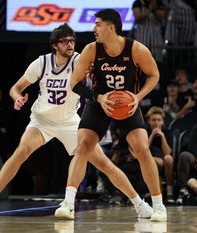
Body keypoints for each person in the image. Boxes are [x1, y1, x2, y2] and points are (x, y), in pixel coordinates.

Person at [0, 23, 153, 219]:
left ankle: (139, 204)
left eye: (72, 41)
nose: (70, 44)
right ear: (54, 45)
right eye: (65, 41)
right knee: (21, 152)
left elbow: (105, 69)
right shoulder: (41, 63)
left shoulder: (80, 60)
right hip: (42, 120)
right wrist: (17, 98)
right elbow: (15, 87)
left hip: (69, 121)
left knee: (104, 164)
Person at [55, 9, 167, 222]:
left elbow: (154, 75)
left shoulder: (136, 49)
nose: (93, 28)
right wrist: (99, 98)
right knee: (83, 147)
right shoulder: (91, 50)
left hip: (127, 105)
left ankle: (159, 205)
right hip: (99, 103)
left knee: (142, 149)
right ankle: (68, 202)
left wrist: (138, 96)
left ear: (111, 28)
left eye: (98, 24)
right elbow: (74, 83)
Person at [145, 106, 175, 203]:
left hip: (164, 160)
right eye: (153, 120)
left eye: (159, 120)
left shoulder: (168, 132)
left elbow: (167, 153)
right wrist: (152, 136)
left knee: (169, 158)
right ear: (149, 121)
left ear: (162, 121)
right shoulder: (145, 132)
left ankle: (170, 193)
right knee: (153, 160)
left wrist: (162, 136)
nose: (156, 122)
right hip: (150, 159)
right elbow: (143, 149)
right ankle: (158, 194)